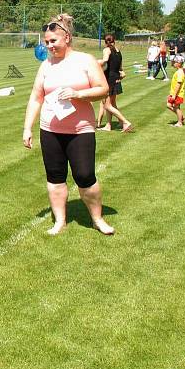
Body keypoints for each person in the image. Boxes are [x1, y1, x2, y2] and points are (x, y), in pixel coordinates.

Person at [22, 14, 115, 236]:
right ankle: (59, 221)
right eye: (47, 42)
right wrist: (27, 128)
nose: (49, 46)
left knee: (85, 176)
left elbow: (103, 89)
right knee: (55, 176)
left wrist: (78, 94)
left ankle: (97, 219)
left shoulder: (85, 60)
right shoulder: (46, 65)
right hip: (50, 130)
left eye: (53, 41)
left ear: (67, 37)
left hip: (80, 130)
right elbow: (36, 97)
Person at [96, 34, 133, 133]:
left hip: (109, 79)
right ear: (114, 40)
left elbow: (105, 60)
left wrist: (95, 63)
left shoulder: (106, 50)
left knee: (107, 105)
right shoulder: (118, 51)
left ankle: (125, 122)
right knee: (112, 104)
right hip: (116, 78)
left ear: (105, 42)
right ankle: (109, 125)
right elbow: (120, 68)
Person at [167, 55, 185, 127]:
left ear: (179, 63)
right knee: (169, 105)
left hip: (178, 94)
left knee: (176, 108)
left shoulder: (180, 72)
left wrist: (174, 95)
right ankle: (181, 117)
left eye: (174, 62)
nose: (173, 63)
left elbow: (178, 84)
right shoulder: (178, 71)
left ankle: (180, 122)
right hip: (174, 93)